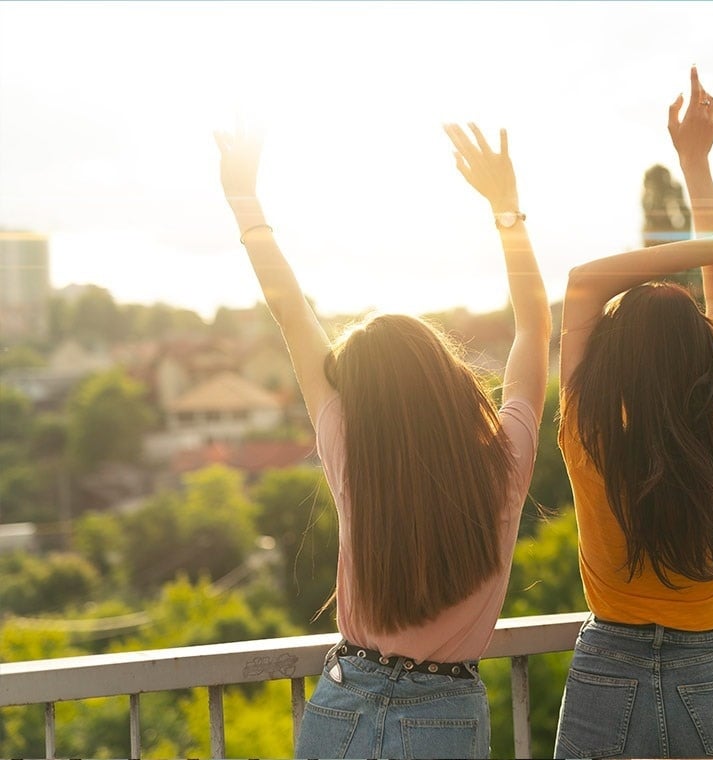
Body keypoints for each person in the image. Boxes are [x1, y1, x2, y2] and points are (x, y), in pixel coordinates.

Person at [214, 120, 550, 759]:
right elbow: (534, 329)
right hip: (445, 715)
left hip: (343, 702)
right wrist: (506, 210)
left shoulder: (350, 449)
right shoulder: (505, 460)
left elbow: (292, 312)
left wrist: (244, 201)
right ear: (446, 376)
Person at [553, 67, 713, 759]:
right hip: (709, 671)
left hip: (606, 672)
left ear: (614, 361)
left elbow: (584, 281)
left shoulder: (586, 430)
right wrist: (697, 164)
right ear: (704, 360)